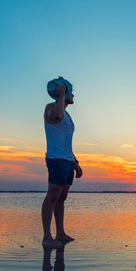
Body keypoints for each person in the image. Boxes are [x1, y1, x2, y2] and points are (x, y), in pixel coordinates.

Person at [42, 77, 83, 247]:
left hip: (67, 160)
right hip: (56, 159)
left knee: (62, 197)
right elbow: (56, 117)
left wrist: (75, 162)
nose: (74, 95)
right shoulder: (51, 108)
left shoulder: (68, 114)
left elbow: (66, 141)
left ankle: (60, 233)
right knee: (52, 195)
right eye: (70, 92)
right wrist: (60, 95)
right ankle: (47, 237)